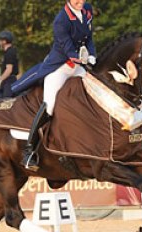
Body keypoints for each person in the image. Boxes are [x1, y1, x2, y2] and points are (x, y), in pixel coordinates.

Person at [20, 0, 96, 171]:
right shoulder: (61, 20)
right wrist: (80, 57)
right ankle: (29, 151)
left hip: (78, 67)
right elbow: (67, 47)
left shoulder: (87, 10)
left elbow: (89, 38)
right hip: (60, 67)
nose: (80, 2)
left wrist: (92, 55)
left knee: (95, 92)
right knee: (50, 105)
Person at [0, 31, 19, 97]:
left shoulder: (9, 52)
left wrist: (0, 80)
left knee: (5, 101)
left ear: (4, 41)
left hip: (9, 82)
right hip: (8, 80)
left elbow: (9, 70)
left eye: (0, 40)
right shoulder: (10, 51)